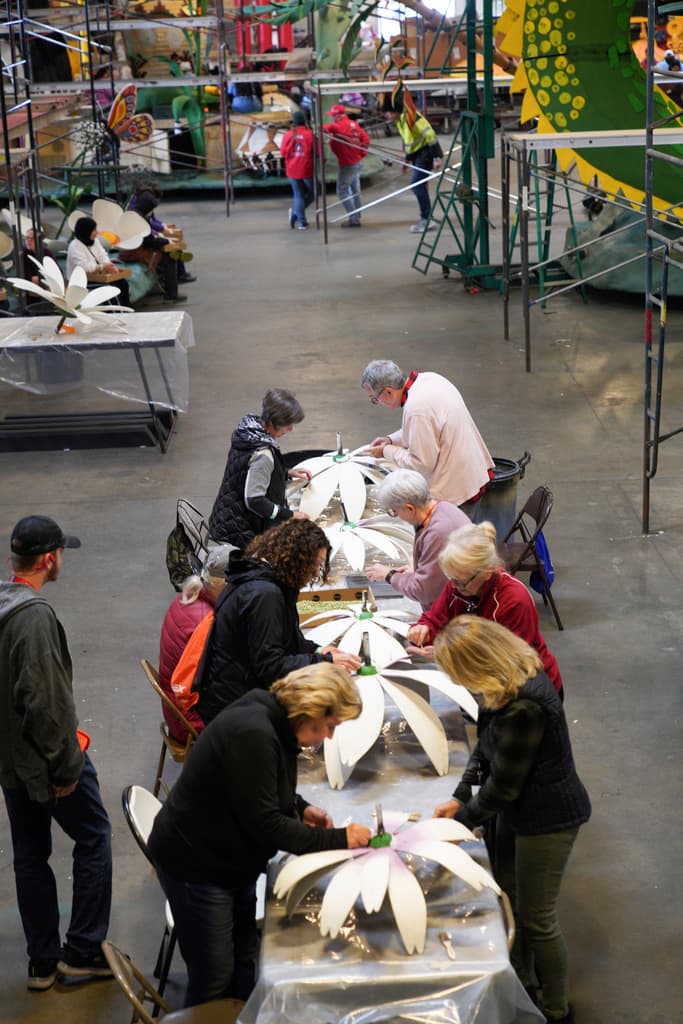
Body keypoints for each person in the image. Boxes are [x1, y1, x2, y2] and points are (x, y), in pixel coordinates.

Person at [148, 662, 372, 1007]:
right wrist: (342, 839)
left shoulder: (272, 720)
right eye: (329, 725)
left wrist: (299, 807)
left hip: (230, 860)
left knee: (244, 959)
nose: (329, 736)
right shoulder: (254, 733)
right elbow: (268, 825)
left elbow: (258, 787)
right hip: (197, 867)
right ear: (310, 709)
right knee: (214, 979)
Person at [433, 616, 590, 1024]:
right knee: (510, 897)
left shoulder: (524, 705)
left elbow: (504, 787)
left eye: (459, 673)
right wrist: (458, 797)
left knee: (538, 918)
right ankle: (521, 983)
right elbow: (486, 752)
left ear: (477, 663)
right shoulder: (499, 687)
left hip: (548, 818)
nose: (460, 683)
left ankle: (556, 1009)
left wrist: (459, 824)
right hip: (521, 812)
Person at [0, 515, 113, 991]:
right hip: (45, 762)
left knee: (29, 856)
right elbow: (45, 705)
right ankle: (82, 952)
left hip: (10, 761)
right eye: (61, 553)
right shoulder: (35, 620)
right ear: (49, 559)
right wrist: (65, 768)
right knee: (94, 837)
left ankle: (42, 963)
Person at [195, 518, 361, 724]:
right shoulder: (265, 596)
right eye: (316, 565)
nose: (315, 574)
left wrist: (317, 651)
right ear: (298, 560)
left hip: (234, 692)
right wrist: (324, 662)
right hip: (235, 709)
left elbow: (284, 640)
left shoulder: (264, 579)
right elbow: (270, 668)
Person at [406, 520, 563, 695]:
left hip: (526, 690)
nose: (454, 587)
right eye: (451, 579)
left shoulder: (514, 601)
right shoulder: (460, 584)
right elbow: (435, 617)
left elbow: (504, 663)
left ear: (487, 571)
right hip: (488, 682)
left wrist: (448, 656)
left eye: (461, 582)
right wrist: (423, 628)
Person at [361, 359, 494, 511]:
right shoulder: (429, 379)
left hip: (456, 490)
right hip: (471, 472)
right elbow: (428, 429)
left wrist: (386, 451)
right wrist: (391, 440)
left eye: (375, 399)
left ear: (388, 392)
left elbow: (421, 465)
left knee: (454, 534)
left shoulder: (416, 409)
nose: (377, 402)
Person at [209, 387, 311, 548]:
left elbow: (248, 472)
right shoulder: (263, 454)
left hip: (227, 516)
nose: (291, 429)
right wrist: (290, 515)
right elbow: (255, 500)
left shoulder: (248, 432)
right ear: (271, 423)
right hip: (241, 531)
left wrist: (286, 473)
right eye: (287, 425)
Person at [365, 469, 470, 610]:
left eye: (394, 511)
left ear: (410, 508)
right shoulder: (444, 508)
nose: (397, 517)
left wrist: (390, 576)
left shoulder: (438, 533)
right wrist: (419, 572)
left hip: (455, 612)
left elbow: (424, 591)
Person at [158, 545, 233, 740]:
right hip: (190, 719)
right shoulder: (205, 621)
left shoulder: (191, 595)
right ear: (223, 585)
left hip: (177, 709)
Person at [383, 89, 443, 233]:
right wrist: (407, 160)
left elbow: (430, 135)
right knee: (421, 186)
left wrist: (437, 157)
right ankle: (428, 217)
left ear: (396, 111)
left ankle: (426, 220)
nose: (386, 115)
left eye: (389, 112)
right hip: (418, 155)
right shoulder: (400, 121)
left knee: (416, 186)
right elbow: (410, 142)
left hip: (426, 154)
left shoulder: (412, 118)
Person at [119, 191, 186, 303]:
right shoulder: (140, 218)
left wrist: (162, 239)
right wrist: (166, 240)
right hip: (134, 252)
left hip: (131, 249)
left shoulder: (134, 214)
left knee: (169, 253)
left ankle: (169, 287)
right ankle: (171, 295)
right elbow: (148, 241)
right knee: (169, 259)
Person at [128, 183, 197, 284]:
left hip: (142, 243)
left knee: (173, 245)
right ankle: (174, 287)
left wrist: (161, 230)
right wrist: (163, 238)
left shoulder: (142, 206)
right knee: (170, 253)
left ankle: (180, 274)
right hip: (137, 249)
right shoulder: (138, 213)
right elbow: (148, 236)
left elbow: (150, 223)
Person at [66, 216, 131, 307]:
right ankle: (115, 312)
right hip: (84, 280)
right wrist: (102, 267)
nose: (97, 233)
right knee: (109, 289)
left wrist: (109, 266)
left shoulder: (94, 241)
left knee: (122, 283)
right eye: (94, 230)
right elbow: (83, 267)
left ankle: (126, 308)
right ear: (86, 231)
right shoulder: (74, 246)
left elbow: (102, 255)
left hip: (99, 275)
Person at [322, 104, 370, 228]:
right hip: (356, 162)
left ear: (337, 116)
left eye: (332, 116)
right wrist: (361, 154)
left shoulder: (338, 125)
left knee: (342, 191)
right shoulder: (352, 124)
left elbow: (331, 127)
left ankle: (354, 219)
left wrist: (320, 128)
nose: (331, 118)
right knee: (355, 191)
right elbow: (365, 138)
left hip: (348, 164)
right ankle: (357, 216)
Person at [280, 111, 315, 230]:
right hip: (307, 169)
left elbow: (283, 153)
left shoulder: (287, 135)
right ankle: (296, 214)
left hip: (292, 169)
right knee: (314, 192)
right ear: (304, 121)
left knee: (298, 194)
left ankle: (301, 222)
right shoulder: (310, 134)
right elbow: (318, 153)